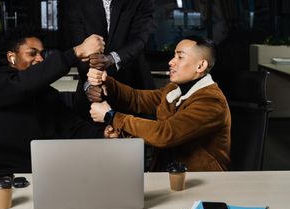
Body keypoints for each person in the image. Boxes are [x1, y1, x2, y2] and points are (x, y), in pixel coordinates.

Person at [0, 27, 116, 174]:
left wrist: (103, 132)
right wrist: (75, 52)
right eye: (32, 53)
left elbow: (72, 127)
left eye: (42, 54)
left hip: (33, 174)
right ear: (12, 57)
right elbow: (22, 84)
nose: (40, 59)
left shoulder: (46, 93)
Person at [88, 35, 231, 172]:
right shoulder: (174, 90)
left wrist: (111, 117)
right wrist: (108, 83)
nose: (171, 62)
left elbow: (165, 134)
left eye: (180, 57)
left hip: (200, 182)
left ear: (200, 66)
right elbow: (136, 99)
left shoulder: (211, 101)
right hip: (170, 175)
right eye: (174, 56)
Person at [67, 0, 155, 120]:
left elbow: (139, 41)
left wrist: (111, 58)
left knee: (137, 145)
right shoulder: (77, 3)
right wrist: (90, 86)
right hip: (94, 91)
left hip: (134, 86)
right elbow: (81, 51)